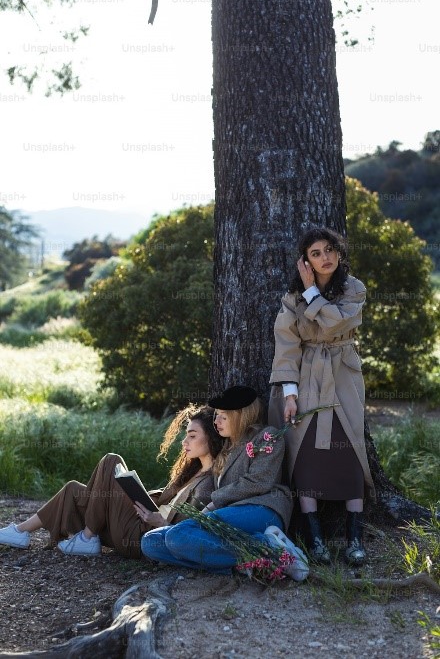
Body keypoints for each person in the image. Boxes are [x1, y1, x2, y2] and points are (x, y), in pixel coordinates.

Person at [268, 227, 375, 566]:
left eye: (330, 249)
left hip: (343, 374)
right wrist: (289, 394)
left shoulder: (353, 288)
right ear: (305, 260)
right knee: (307, 454)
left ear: (339, 252)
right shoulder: (292, 298)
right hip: (306, 378)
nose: (325, 257)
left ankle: (355, 538)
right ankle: (315, 539)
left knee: (351, 450)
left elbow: (335, 325)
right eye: (316, 253)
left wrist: (313, 290)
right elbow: (286, 347)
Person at [0, 405, 223, 558]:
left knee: (111, 460)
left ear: (211, 438)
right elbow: (165, 500)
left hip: (142, 536)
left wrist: (159, 522)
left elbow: (190, 531)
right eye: (185, 434)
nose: (184, 441)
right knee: (74, 490)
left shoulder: (207, 484)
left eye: (192, 436)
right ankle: (21, 532)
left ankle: (88, 537)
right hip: (137, 523)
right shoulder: (192, 470)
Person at [141, 385, 309, 581]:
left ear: (240, 415)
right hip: (229, 515)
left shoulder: (267, 437)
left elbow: (259, 481)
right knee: (151, 542)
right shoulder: (225, 448)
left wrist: (213, 502)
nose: (216, 421)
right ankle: (245, 562)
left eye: (223, 416)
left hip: (262, 509)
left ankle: (273, 550)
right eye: (216, 416)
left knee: (178, 535)